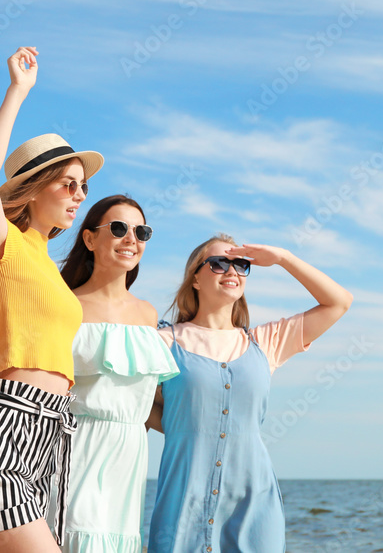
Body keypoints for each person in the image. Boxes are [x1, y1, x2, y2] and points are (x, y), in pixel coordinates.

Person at [0, 46, 104, 552]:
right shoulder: (4, 245)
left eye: (83, 186)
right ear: (34, 189)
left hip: (49, 436)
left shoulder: (50, 269)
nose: (80, 196)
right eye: (70, 184)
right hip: (7, 431)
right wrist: (18, 90)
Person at [0, 194, 179, 552]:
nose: (131, 239)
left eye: (141, 232)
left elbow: (147, 406)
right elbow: (25, 364)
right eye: (119, 228)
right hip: (70, 449)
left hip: (127, 460)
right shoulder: (63, 305)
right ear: (89, 238)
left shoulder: (148, 315)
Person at [148, 235, 352, 552]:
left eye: (241, 265)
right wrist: (181, 425)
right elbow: (132, 403)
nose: (232, 271)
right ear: (195, 280)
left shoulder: (265, 342)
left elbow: (339, 302)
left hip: (254, 501)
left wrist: (283, 258)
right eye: (218, 263)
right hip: (183, 500)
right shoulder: (163, 342)